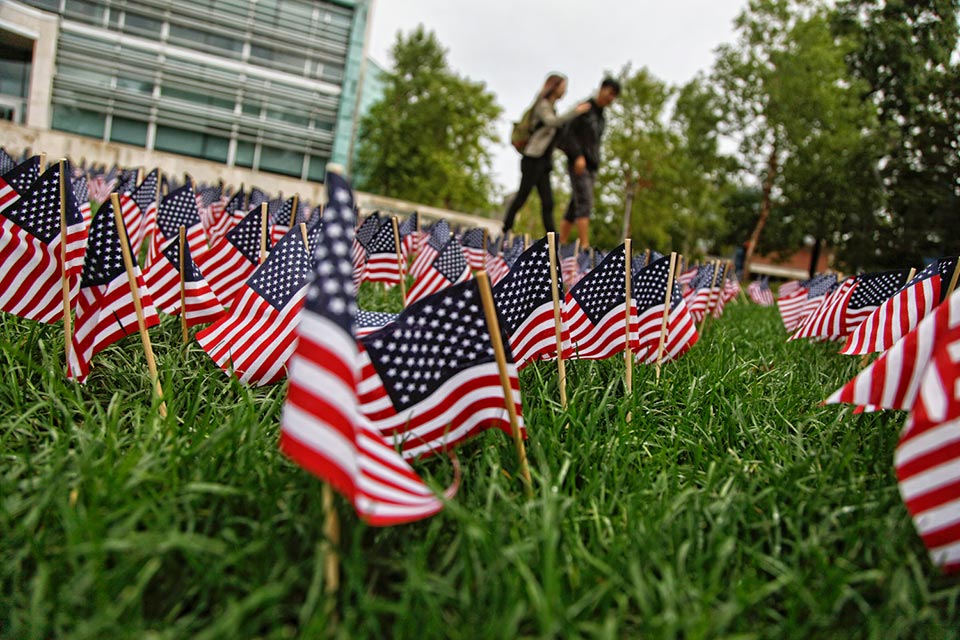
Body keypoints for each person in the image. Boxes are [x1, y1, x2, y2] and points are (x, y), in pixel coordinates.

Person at [501, 74, 590, 235]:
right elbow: (552, 122)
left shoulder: (552, 107)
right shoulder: (542, 106)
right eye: (563, 87)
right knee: (522, 196)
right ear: (554, 87)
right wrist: (575, 111)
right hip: (532, 159)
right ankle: (506, 227)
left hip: (544, 161)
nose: (565, 91)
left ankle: (552, 238)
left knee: (548, 202)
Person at [559, 78, 620, 248]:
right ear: (601, 89)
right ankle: (584, 246)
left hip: (592, 164)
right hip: (579, 163)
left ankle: (560, 242)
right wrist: (577, 155)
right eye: (610, 93)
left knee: (575, 203)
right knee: (585, 201)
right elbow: (567, 133)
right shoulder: (584, 109)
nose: (611, 98)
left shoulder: (602, 118)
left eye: (614, 96)